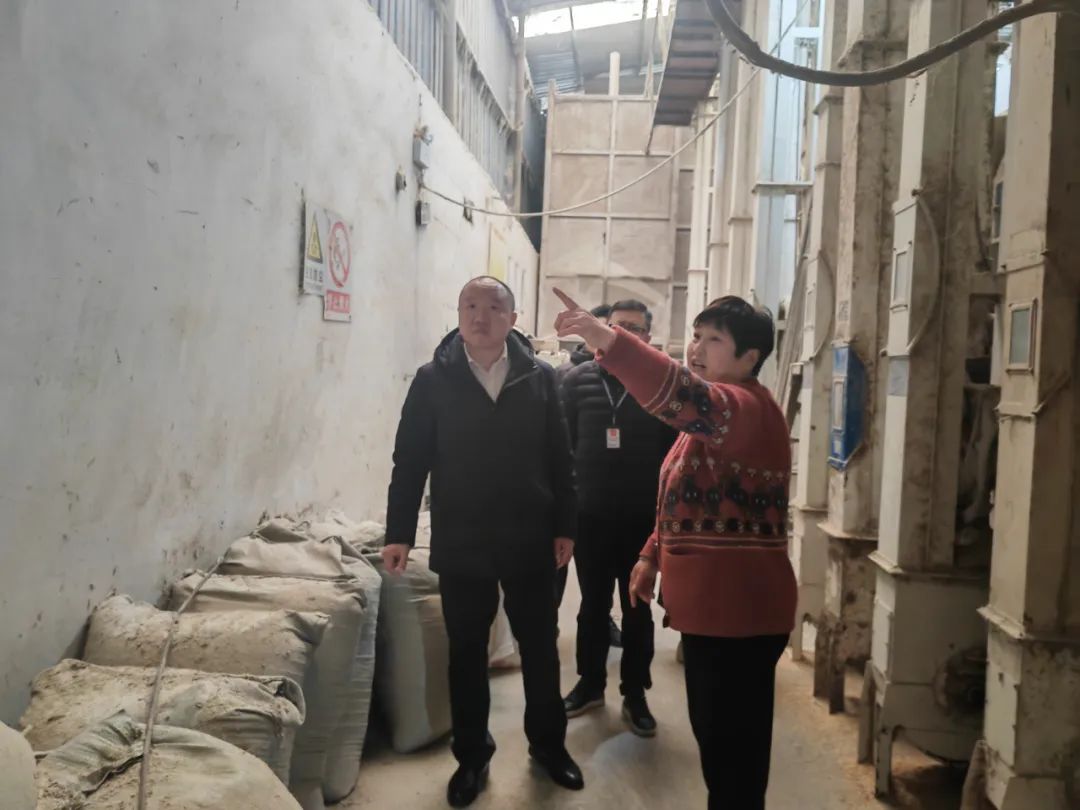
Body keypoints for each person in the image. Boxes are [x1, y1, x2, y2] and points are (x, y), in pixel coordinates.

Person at [553, 291, 796, 810]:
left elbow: (682, 393)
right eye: (696, 336)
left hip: (742, 615)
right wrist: (651, 555)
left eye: (714, 340)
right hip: (711, 613)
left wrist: (606, 339)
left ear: (750, 357)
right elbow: (682, 493)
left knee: (734, 757)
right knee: (717, 745)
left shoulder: (743, 410)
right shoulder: (712, 422)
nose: (696, 349)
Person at [384, 277, 585, 808]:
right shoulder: (433, 379)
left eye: (494, 307)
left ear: (512, 319)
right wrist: (399, 533)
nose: (480, 316)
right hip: (463, 538)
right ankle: (472, 757)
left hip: (530, 536)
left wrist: (566, 525)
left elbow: (561, 458)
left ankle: (548, 746)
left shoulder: (541, 378)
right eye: (469, 306)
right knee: (467, 653)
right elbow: (410, 460)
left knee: (539, 648)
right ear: (458, 314)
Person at [558, 299, 676, 737]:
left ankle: (635, 692)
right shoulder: (575, 381)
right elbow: (562, 448)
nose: (625, 334)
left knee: (637, 609)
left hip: (641, 523)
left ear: (647, 338)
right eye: (617, 326)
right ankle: (590, 684)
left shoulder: (660, 385)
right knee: (592, 606)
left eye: (635, 329)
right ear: (603, 330)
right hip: (589, 519)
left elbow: (671, 458)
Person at [554, 302, 622, 650]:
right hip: (578, 500)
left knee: (607, 587)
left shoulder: (640, 380)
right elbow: (559, 444)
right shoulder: (568, 377)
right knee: (566, 574)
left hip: (622, 506)